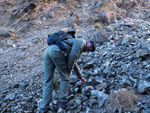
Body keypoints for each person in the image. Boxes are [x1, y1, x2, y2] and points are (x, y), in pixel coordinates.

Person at [38, 31, 96, 112]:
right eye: (91, 46)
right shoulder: (81, 42)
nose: (90, 49)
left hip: (48, 51)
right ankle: (63, 102)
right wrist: (69, 72)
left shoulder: (76, 43)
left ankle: (44, 107)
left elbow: (73, 61)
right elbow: (73, 57)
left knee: (47, 80)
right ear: (89, 42)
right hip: (56, 51)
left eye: (91, 50)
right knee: (65, 78)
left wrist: (80, 76)